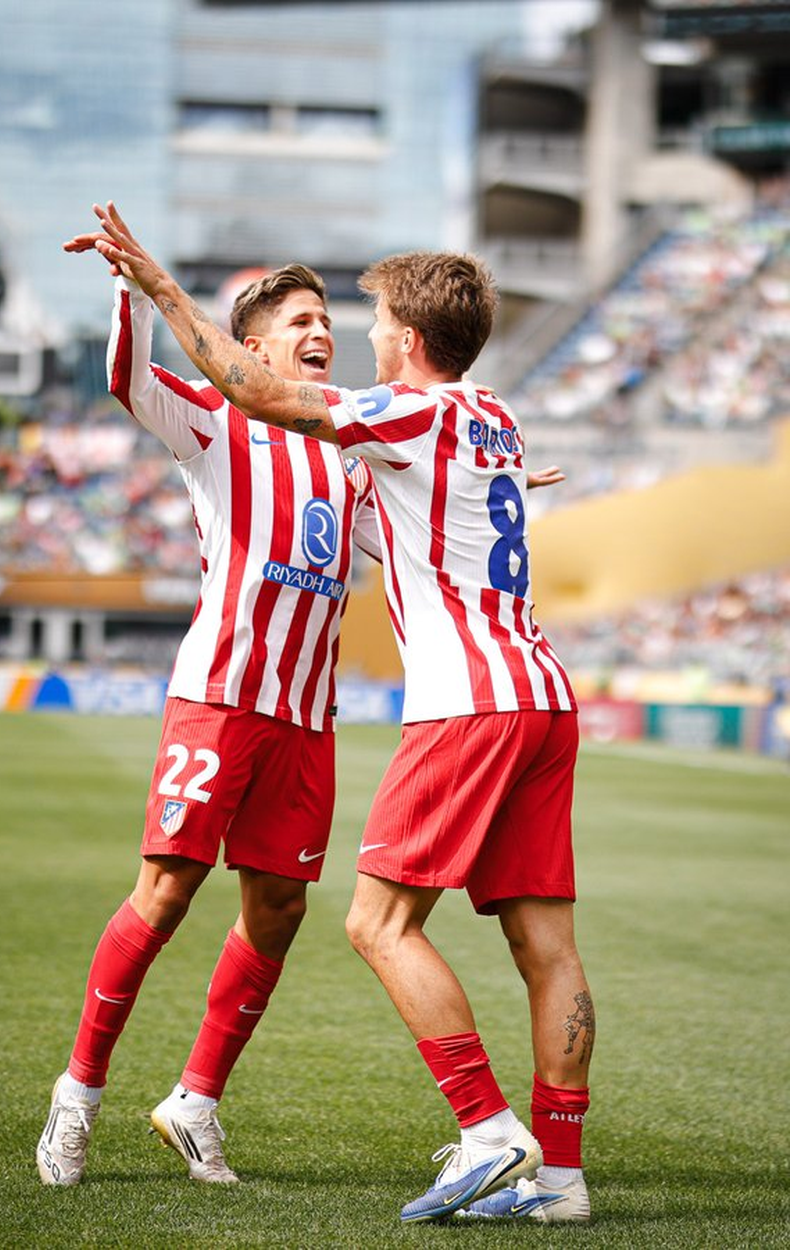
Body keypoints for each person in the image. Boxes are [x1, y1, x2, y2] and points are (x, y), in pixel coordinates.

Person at [86, 202, 594, 1225]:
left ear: (408, 339)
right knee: (547, 946)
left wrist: (159, 287)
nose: (354, 335)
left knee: (376, 920)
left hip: (469, 701)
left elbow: (255, 389)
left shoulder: (407, 412)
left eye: (366, 321)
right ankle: (563, 1179)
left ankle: (489, 1128)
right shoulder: (492, 415)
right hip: (545, 692)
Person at [35, 243, 386, 1188]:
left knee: (277, 909)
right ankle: (77, 1096)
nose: (322, 335)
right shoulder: (216, 419)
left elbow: (411, 539)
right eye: (301, 323)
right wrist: (129, 287)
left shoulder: (351, 458)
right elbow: (125, 378)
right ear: (253, 347)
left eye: (326, 322)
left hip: (307, 718)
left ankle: (195, 1102)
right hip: (221, 700)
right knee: (166, 894)